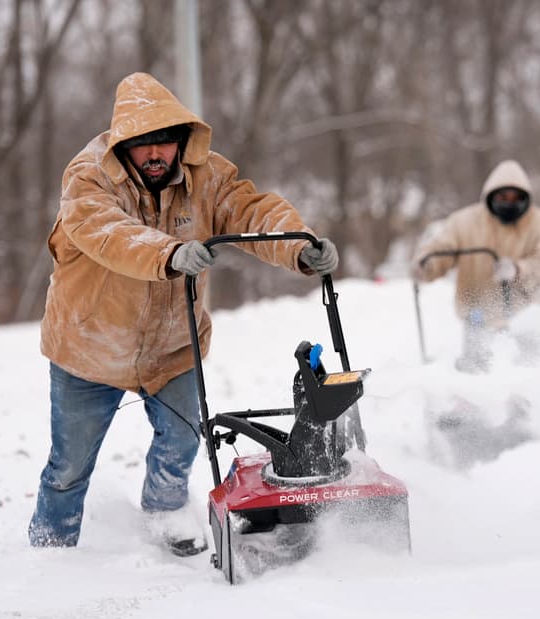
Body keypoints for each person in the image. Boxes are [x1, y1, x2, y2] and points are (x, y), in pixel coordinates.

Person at [30, 72, 338, 556]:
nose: (156, 154)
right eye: (143, 144)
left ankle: (165, 513)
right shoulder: (87, 177)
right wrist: (169, 253)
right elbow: (109, 234)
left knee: (180, 442)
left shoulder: (206, 176)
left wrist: (300, 246)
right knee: (68, 467)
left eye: (165, 142)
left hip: (172, 346)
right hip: (90, 347)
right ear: (123, 145)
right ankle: (49, 550)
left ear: (181, 141)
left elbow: (251, 210)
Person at [410, 160, 540, 372]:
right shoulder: (464, 222)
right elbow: (441, 249)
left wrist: (519, 269)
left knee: (526, 377)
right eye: (503, 197)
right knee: (477, 376)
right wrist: (426, 266)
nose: (509, 203)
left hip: (523, 318)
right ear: (491, 196)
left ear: (525, 198)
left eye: (515, 198)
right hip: (477, 318)